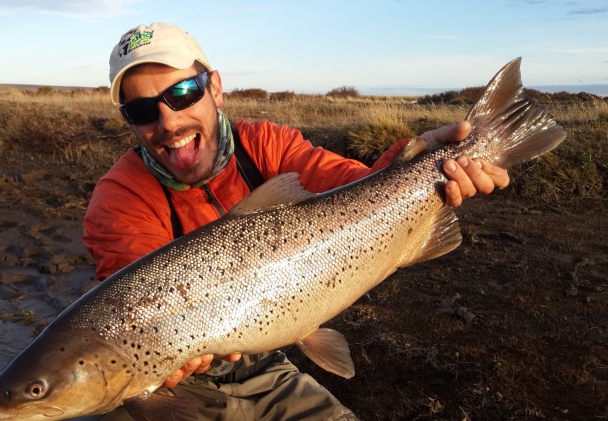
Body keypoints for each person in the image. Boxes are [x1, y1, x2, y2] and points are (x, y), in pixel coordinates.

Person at [83, 22, 509, 421]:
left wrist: (416, 161)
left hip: (268, 361)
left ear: (215, 88)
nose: (169, 121)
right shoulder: (117, 198)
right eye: (141, 110)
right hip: (174, 385)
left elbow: (357, 190)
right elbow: (127, 307)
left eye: (182, 93)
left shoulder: (268, 144)